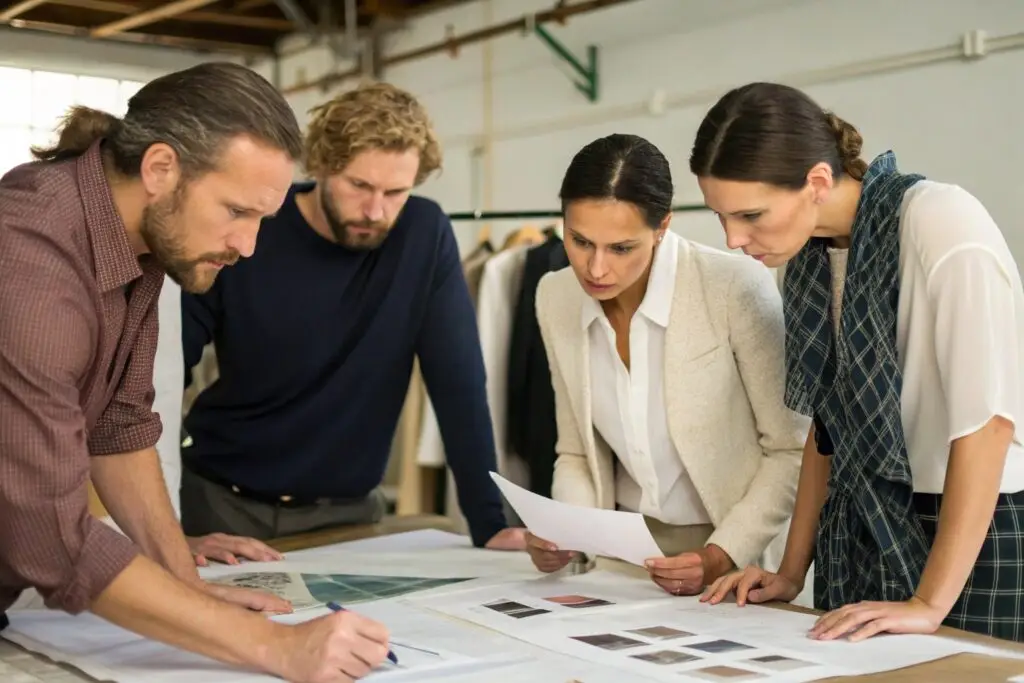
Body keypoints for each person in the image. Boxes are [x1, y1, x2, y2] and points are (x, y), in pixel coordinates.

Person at [0, 62, 392, 682]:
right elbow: (49, 536)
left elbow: (121, 426)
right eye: (237, 210)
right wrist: (275, 647)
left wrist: (187, 588)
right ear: (160, 169)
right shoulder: (30, 258)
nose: (249, 245)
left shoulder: (145, 242)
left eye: (263, 218)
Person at [694, 82, 1024, 644]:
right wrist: (791, 573)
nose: (733, 239)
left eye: (750, 214)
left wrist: (927, 602)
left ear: (817, 181)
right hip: (860, 522)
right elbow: (826, 430)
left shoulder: (941, 221)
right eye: (721, 216)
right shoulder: (806, 259)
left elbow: (987, 425)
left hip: (972, 525)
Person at [178, 82, 525, 552]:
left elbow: (458, 382)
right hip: (222, 508)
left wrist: (489, 523)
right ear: (320, 166)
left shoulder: (423, 234)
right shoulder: (251, 230)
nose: (376, 210)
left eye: (396, 191)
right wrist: (162, 530)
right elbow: (158, 377)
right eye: (359, 185)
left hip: (353, 516)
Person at [524, 133, 809, 596]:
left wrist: (719, 556)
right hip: (620, 558)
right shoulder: (554, 295)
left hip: (735, 557)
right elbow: (576, 451)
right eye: (579, 241)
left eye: (621, 248)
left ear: (662, 228)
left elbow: (791, 451)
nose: (596, 269)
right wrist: (566, 534)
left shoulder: (734, 286)